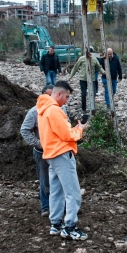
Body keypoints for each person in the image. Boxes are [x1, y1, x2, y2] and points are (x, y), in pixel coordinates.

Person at [37, 81, 89, 241]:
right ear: (59, 94)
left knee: (56, 191)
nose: (66, 100)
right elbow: (67, 135)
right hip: (61, 154)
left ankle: (56, 223)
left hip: (51, 154)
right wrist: (80, 129)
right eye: (66, 97)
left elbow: (59, 133)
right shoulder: (55, 111)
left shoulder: (42, 109)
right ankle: (70, 227)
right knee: (73, 193)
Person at [20, 85, 54, 217]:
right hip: (42, 153)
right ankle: (45, 207)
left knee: (59, 179)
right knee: (45, 180)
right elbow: (24, 130)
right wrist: (38, 143)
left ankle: (61, 205)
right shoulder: (34, 112)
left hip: (57, 151)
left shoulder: (60, 109)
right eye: (48, 95)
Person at [69, 49, 105, 114]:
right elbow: (75, 67)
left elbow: (99, 67)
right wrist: (71, 76)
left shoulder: (94, 59)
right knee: (83, 94)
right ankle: (83, 108)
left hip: (92, 79)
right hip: (83, 79)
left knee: (93, 93)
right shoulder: (82, 59)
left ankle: (92, 107)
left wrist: (103, 72)